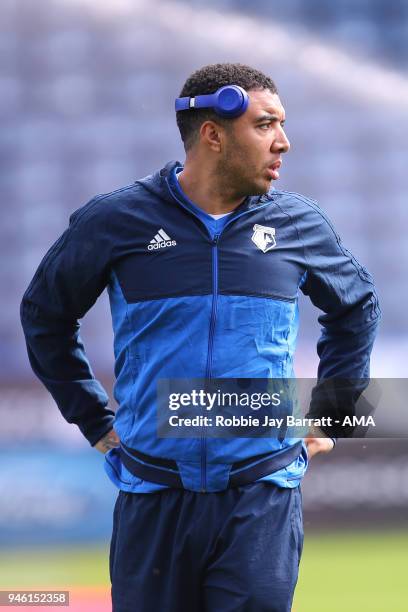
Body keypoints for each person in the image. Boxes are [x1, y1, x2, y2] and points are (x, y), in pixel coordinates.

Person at [20, 63, 380, 612]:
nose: (284, 142)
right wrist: (91, 417)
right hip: (153, 495)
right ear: (212, 135)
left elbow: (357, 306)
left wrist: (333, 410)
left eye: (281, 124)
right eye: (265, 126)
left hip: (260, 498)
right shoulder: (116, 221)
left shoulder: (299, 224)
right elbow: (44, 315)